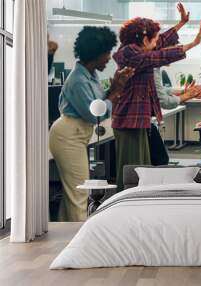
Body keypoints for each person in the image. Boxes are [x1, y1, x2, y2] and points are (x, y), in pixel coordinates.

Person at [112, 8, 201, 191]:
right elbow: (157, 55)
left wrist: (181, 23)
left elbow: (161, 42)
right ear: (144, 40)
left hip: (137, 121)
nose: (157, 43)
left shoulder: (138, 49)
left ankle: (139, 205)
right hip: (128, 122)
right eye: (153, 39)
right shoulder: (130, 53)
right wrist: (193, 44)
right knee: (132, 173)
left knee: (142, 170)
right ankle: (125, 209)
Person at [49, 26, 134, 221]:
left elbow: (98, 102)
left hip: (76, 134)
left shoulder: (90, 75)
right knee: (80, 193)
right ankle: (80, 237)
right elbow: (92, 114)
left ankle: (65, 234)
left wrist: (114, 87)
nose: (108, 58)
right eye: (107, 53)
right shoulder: (78, 80)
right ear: (96, 53)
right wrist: (116, 91)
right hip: (68, 136)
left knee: (74, 192)